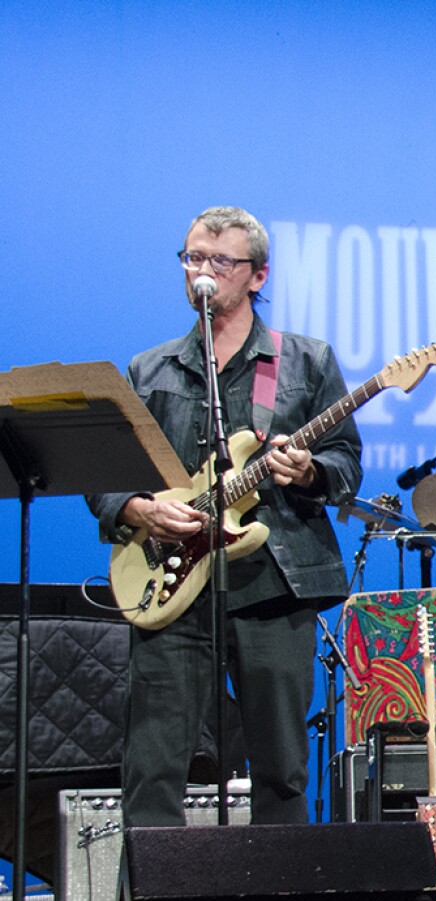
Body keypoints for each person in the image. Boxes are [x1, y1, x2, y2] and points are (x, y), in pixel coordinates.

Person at [88, 206, 363, 827]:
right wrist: (136, 507)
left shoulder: (305, 362)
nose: (202, 273)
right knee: (153, 770)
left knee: (282, 773)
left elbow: (345, 462)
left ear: (257, 275)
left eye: (219, 262)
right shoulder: (149, 369)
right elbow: (107, 474)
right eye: (192, 259)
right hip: (171, 587)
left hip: (273, 585)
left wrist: (310, 472)